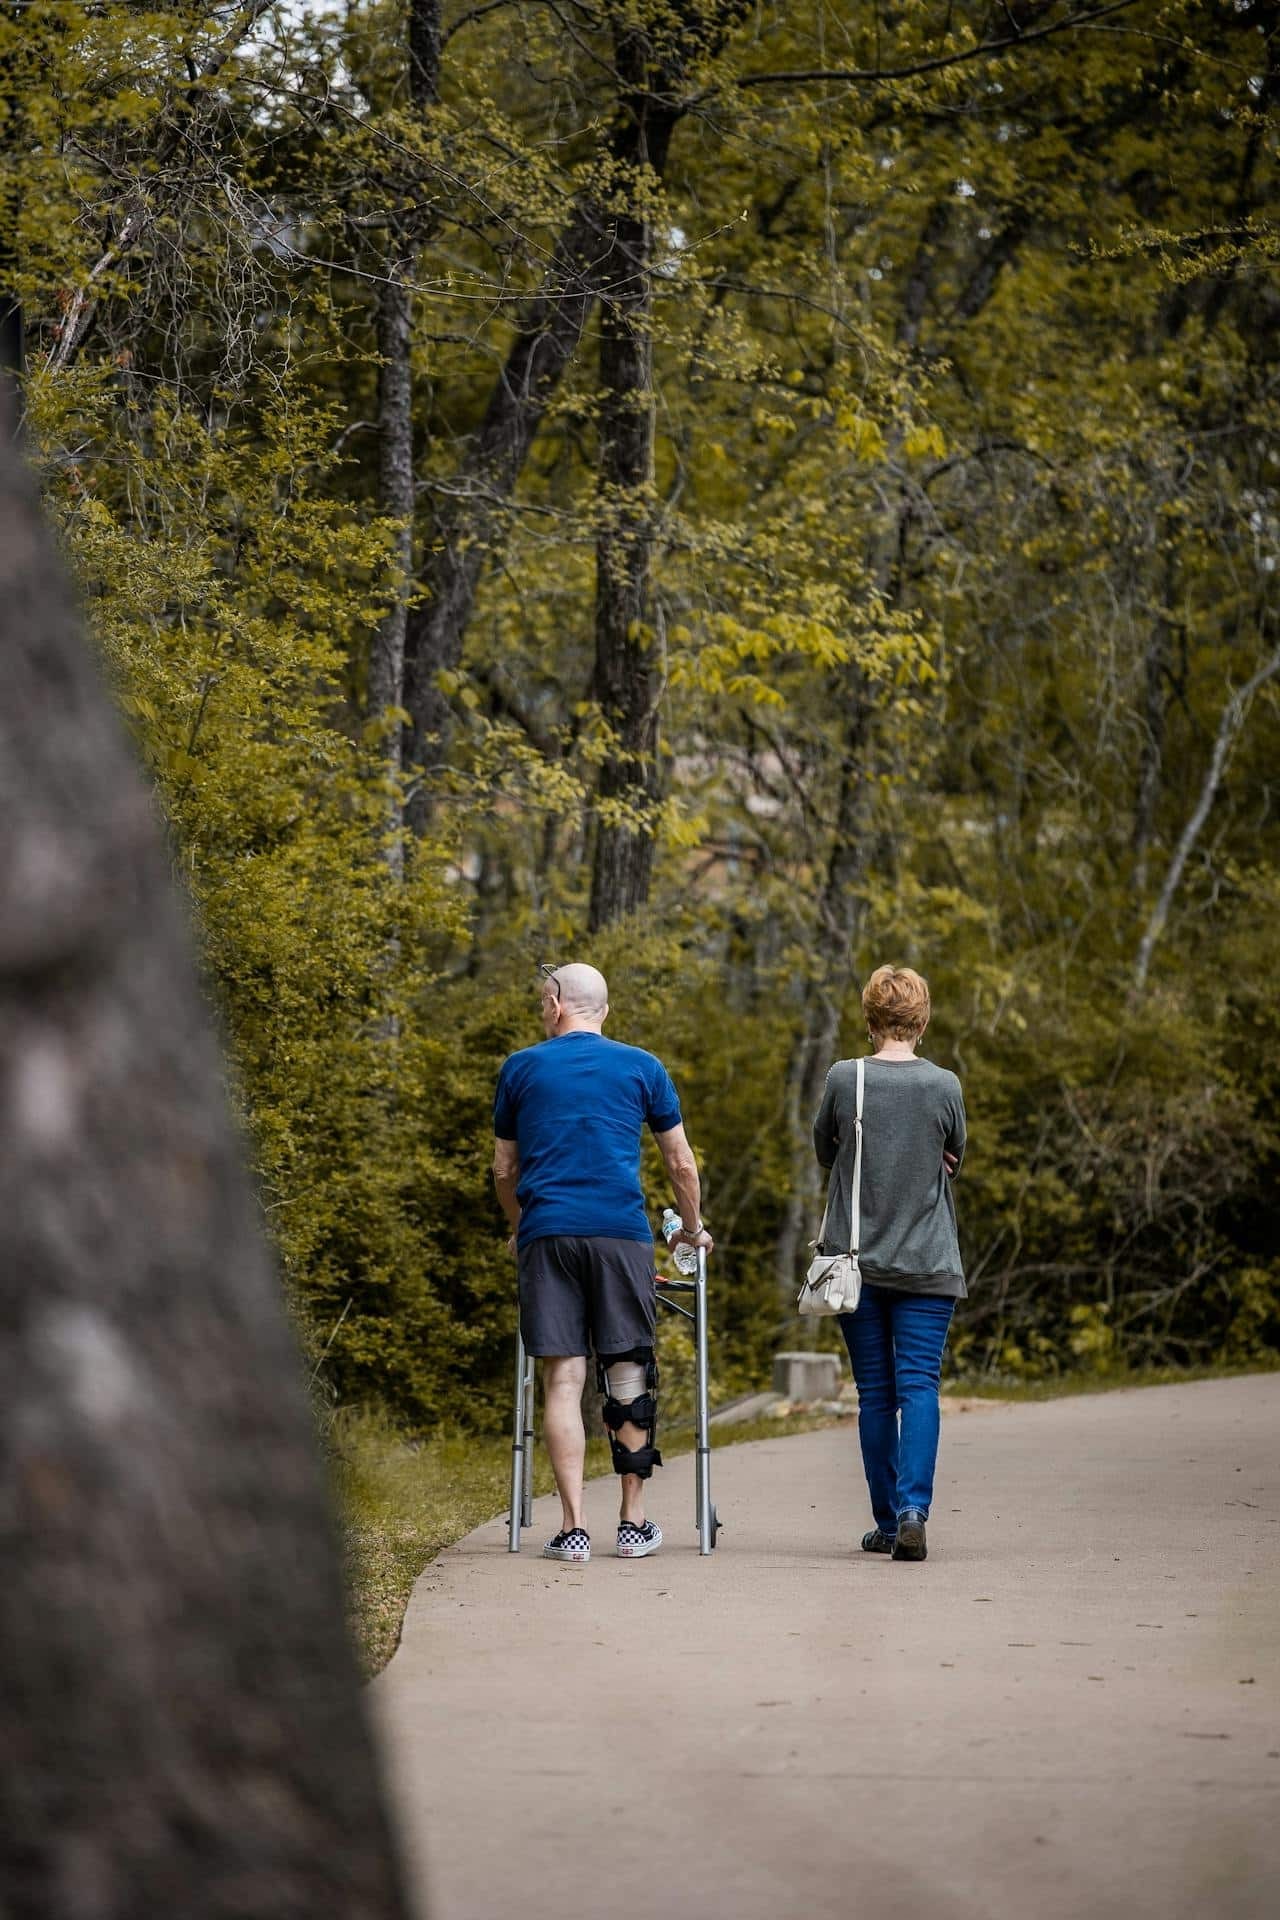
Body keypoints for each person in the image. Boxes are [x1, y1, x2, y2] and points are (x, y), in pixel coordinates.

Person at [492, 962, 713, 1565]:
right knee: (627, 1371)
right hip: (620, 1235)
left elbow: (504, 1171)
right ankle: (633, 1523)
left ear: (559, 1004)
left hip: (549, 1235)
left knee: (563, 1379)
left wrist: (521, 1230)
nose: (541, 1007)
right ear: (605, 1012)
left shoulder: (521, 1068)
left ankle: (572, 1529)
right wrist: (691, 1232)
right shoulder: (642, 1067)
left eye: (544, 998)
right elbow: (682, 1165)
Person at [813, 965, 966, 1564]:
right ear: (921, 1020)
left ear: (869, 1018)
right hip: (929, 1261)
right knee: (920, 1386)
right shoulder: (945, 1085)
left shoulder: (844, 1079)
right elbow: (956, 1155)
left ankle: (885, 1521)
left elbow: (824, 1150)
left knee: (875, 1393)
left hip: (857, 1263)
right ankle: (913, 1513)